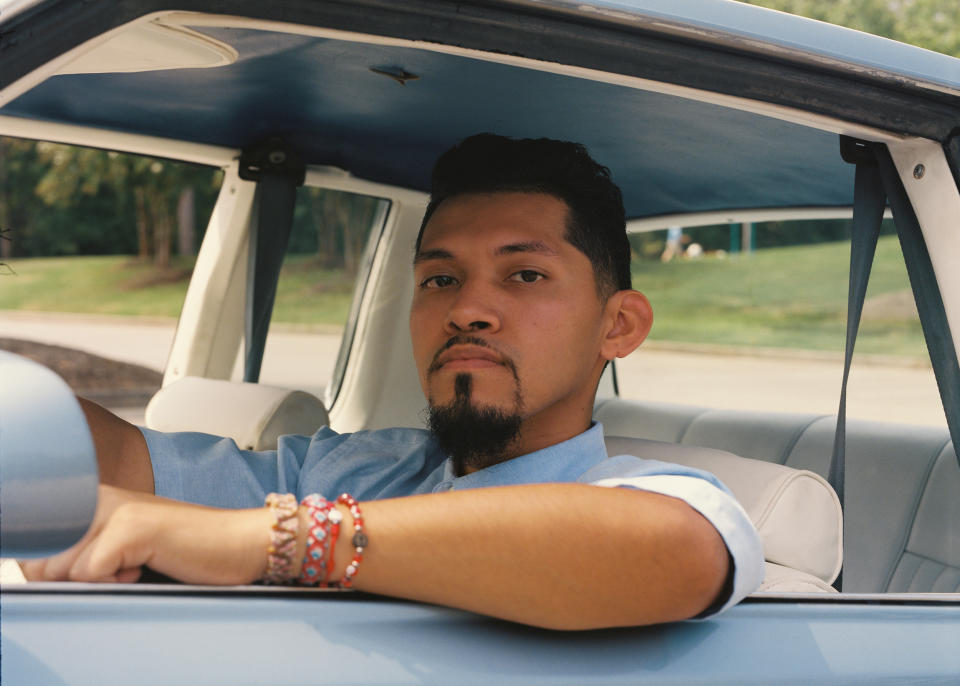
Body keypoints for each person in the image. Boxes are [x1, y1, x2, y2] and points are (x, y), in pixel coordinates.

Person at [23, 134, 763, 630]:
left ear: (619, 326)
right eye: (439, 278)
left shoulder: (652, 498)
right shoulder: (348, 467)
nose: (468, 309)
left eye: (525, 274)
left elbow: (675, 550)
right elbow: (112, 462)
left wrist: (278, 541)